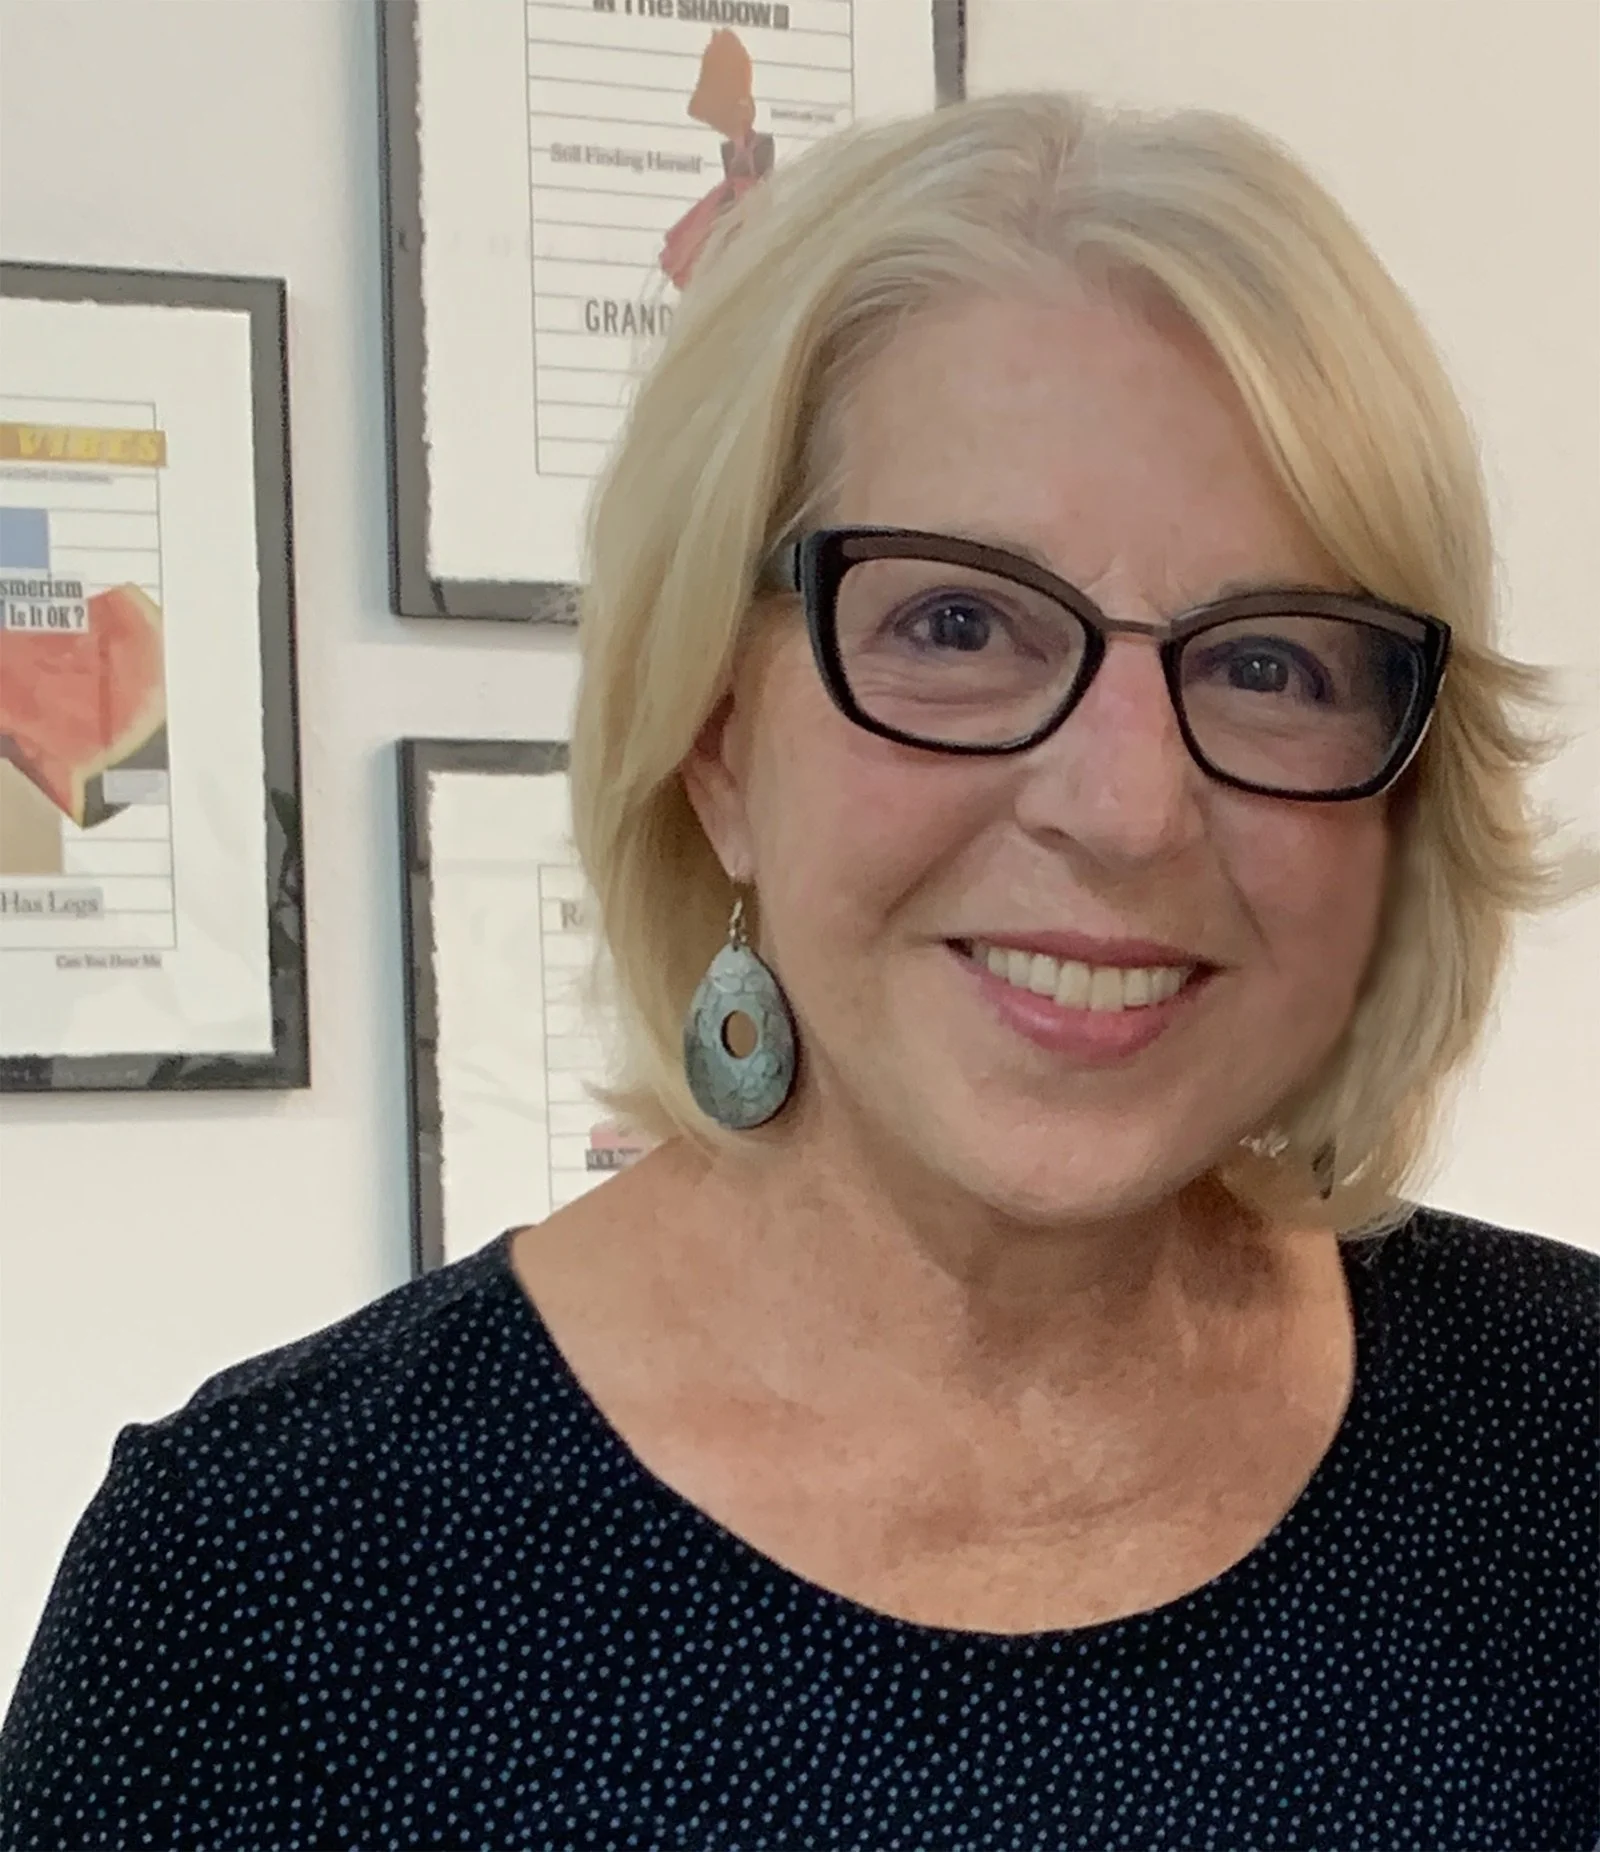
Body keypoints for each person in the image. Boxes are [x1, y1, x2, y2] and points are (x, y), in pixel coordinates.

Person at [1, 90, 1595, 1851]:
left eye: (1276, 663)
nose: (1132, 806)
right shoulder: (264, 1595)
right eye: (958, 624)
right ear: (715, 737)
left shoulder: (1566, 1436)